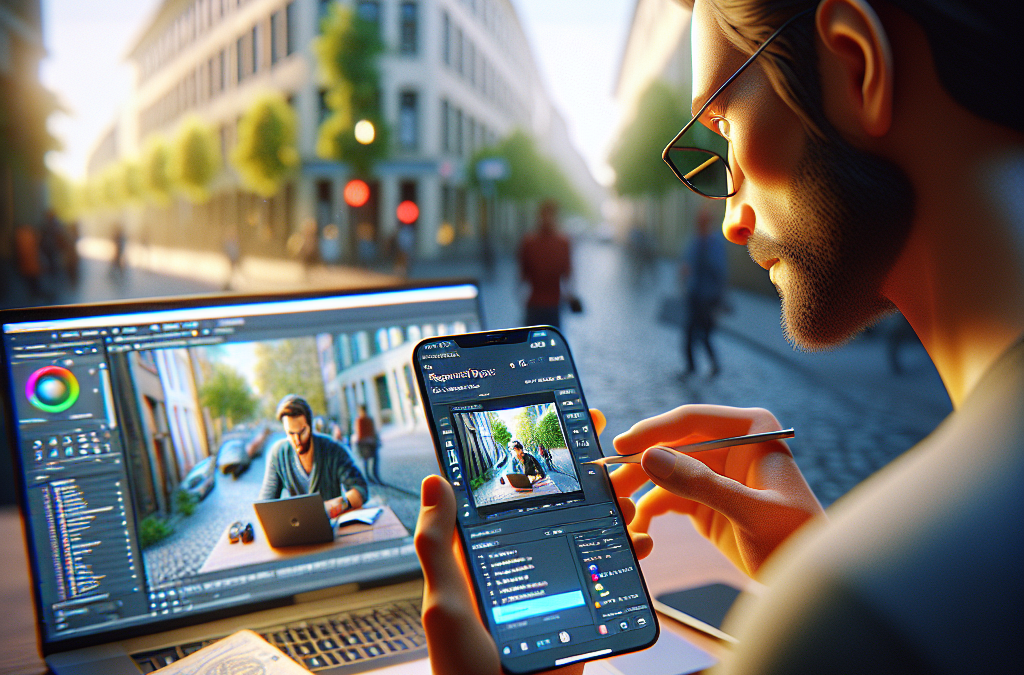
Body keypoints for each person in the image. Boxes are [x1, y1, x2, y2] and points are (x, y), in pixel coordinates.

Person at [412, 0, 1023, 673]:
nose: (731, 217)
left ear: (857, 66)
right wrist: (803, 557)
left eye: (726, 127)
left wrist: (821, 609)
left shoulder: (861, 624)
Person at [259, 395, 367, 518]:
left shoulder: (333, 449)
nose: (297, 440)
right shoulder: (278, 454)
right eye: (291, 433)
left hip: (332, 525)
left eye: (302, 432)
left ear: (310, 426)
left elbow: (361, 490)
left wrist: (333, 506)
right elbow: (265, 504)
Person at [681, 208, 727, 376]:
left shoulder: (715, 244)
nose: (700, 226)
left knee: (704, 335)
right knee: (688, 334)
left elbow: (720, 271)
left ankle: (714, 365)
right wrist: (684, 275)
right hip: (694, 295)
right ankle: (691, 367)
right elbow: (686, 263)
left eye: (703, 223)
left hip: (707, 297)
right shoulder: (694, 241)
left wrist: (719, 299)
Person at [518, 200, 573, 328]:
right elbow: (568, 274)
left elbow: (522, 275)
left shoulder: (561, 242)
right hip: (538, 303)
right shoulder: (530, 242)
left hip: (550, 303)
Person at [354, 405, 381, 485]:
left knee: (374, 459)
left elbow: (373, 431)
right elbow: (359, 433)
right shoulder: (359, 420)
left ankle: (375, 475)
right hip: (365, 444)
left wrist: (376, 439)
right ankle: (368, 477)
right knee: (366, 460)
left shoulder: (369, 419)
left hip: (371, 443)